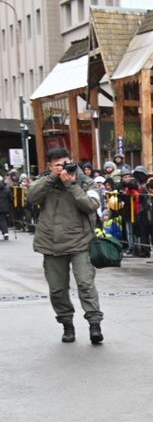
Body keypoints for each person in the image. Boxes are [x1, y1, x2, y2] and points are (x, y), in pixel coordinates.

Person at [27, 148, 104, 345]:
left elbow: (91, 205)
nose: (63, 168)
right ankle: (67, 324)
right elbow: (31, 197)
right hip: (51, 244)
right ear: (50, 166)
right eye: (57, 165)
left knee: (86, 285)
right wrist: (52, 178)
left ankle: (94, 324)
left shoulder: (85, 181)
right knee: (57, 290)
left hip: (80, 242)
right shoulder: (45, 180)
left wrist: (71, 185)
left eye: (66, 163)